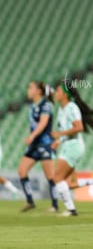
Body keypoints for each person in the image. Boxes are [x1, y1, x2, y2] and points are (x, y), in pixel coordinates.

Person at [52, 79, 93, 216]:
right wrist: (59, 140)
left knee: (57, 177)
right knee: (68, 183)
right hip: (67, 145)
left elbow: (79, 127)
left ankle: (71, 210)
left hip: (74, 146)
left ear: (65, 94)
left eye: (58, 90)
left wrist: (60, 134)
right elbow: (67, 129)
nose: (55, 93)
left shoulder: (72, 107)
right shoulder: (61, 109)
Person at [18, 81, 59, 212]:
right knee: (22, 171)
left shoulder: (46, 105)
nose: (28, 90)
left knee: (50, 176)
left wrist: (31, 136)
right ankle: (30, 201)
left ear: (38, 91)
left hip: (45, 144)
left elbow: (43, 124)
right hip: (34, 145)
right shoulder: (32, 105)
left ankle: (55, 205)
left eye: (31, 87)